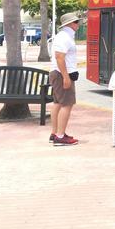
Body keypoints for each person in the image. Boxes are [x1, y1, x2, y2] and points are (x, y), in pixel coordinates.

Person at [49, 12, 82, 146]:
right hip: (61, 74)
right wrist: (65, 77)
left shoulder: (65, 36)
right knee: (67, 104)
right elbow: (59, 57)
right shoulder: (64, 37)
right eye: (76, 22)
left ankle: (55, 133)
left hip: (59, 73)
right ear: (69, 24)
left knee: (57, 104)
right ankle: (60, 136)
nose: (78, 24)